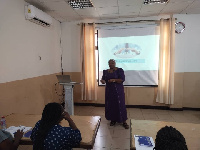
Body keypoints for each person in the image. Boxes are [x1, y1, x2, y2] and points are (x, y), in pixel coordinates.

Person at [100, 59, 129, 129]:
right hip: (109, 91)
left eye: (112, 63)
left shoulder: (119, 70)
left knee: (120, 104)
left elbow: (122, 79)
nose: (111, 64)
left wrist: (113, 80)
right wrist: (102, 81)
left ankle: (124, 121)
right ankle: (113, 120)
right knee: (111, 105)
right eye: (110, 63)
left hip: (118, 90)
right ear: (108, 64)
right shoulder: (105, 71)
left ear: (115, 63)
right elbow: (104, 80)